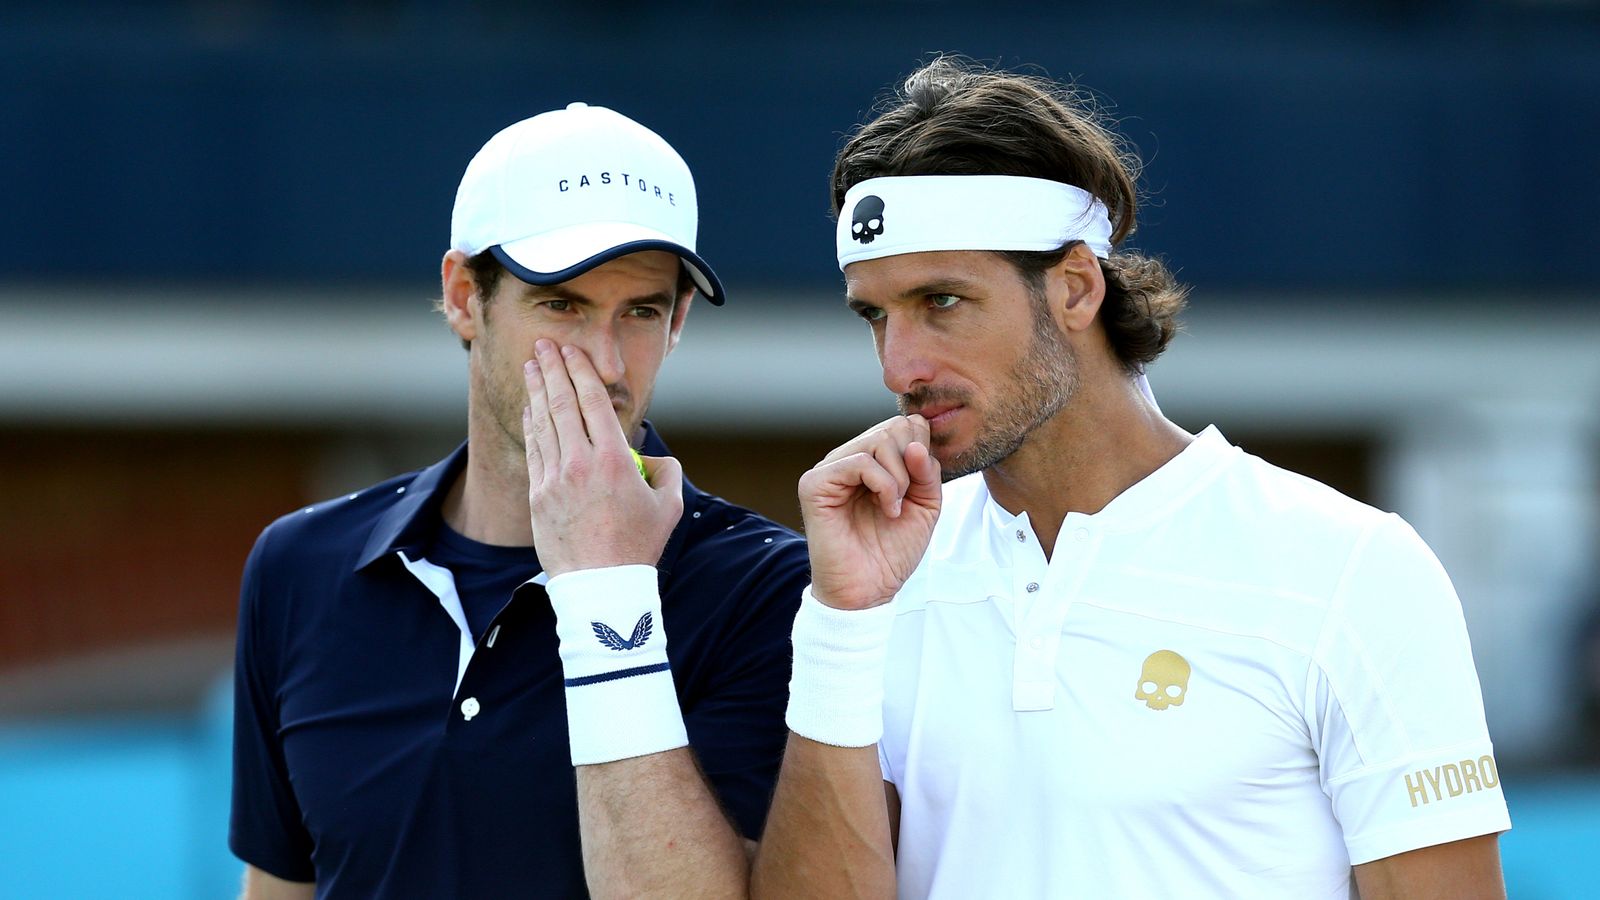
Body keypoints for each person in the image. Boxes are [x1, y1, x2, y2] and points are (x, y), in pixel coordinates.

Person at [567, 60, 1513, 899]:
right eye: (876, 316)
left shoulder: (1350, 567)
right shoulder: (874, 579)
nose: (900, 365)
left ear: (1075, 288)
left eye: (943, 301)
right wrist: (841, 624)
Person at [228, 102, 809, 899]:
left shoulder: (767, 589)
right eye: (562, 305)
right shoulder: (301, 565)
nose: (607, 364)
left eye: (641, 312)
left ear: (677, 320)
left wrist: (605, 586)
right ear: (464, 295)